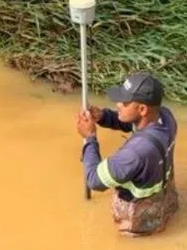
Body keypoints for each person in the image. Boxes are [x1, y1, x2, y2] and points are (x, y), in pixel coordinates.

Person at [75, 72, 179, 236]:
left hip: (140, 218)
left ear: (142, 109)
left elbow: (94, 180)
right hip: (165, 201)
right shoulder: (166, 117)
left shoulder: (134, 153)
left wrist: (90, 138)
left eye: (124, 102)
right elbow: (133, 123)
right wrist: (103, 117)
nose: (118, 104)